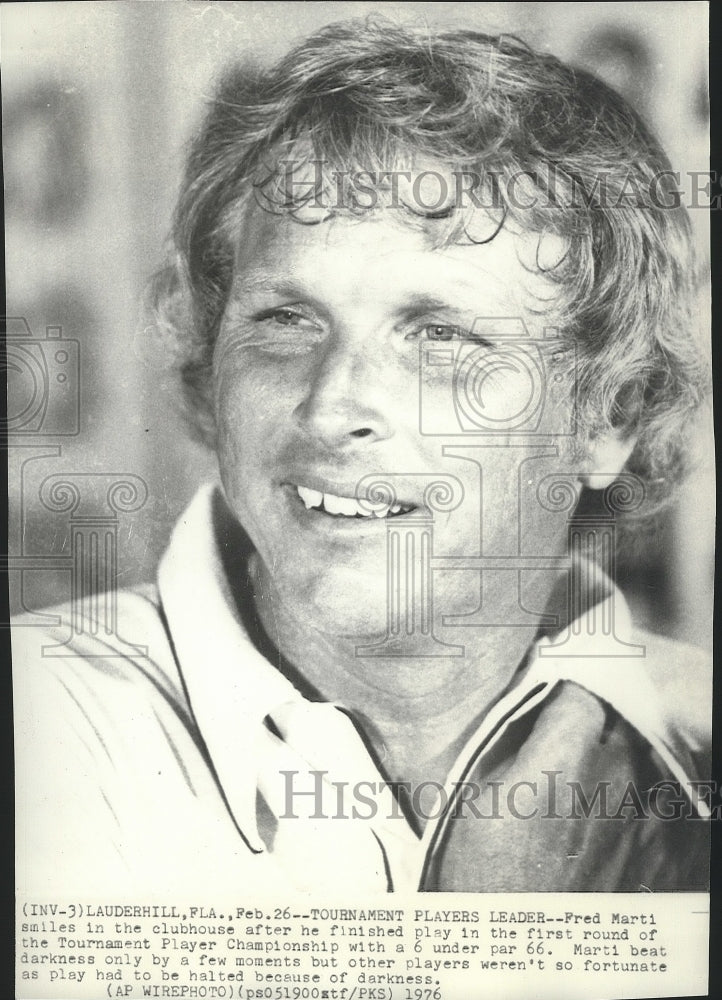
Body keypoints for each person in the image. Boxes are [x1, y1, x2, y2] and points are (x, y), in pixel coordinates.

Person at [14, 19, 711, 895]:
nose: (334, 402)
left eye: (442, 337)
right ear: (209, 358)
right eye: (285, 321)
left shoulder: (695, 750)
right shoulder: (39, 729)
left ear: (609, 416)